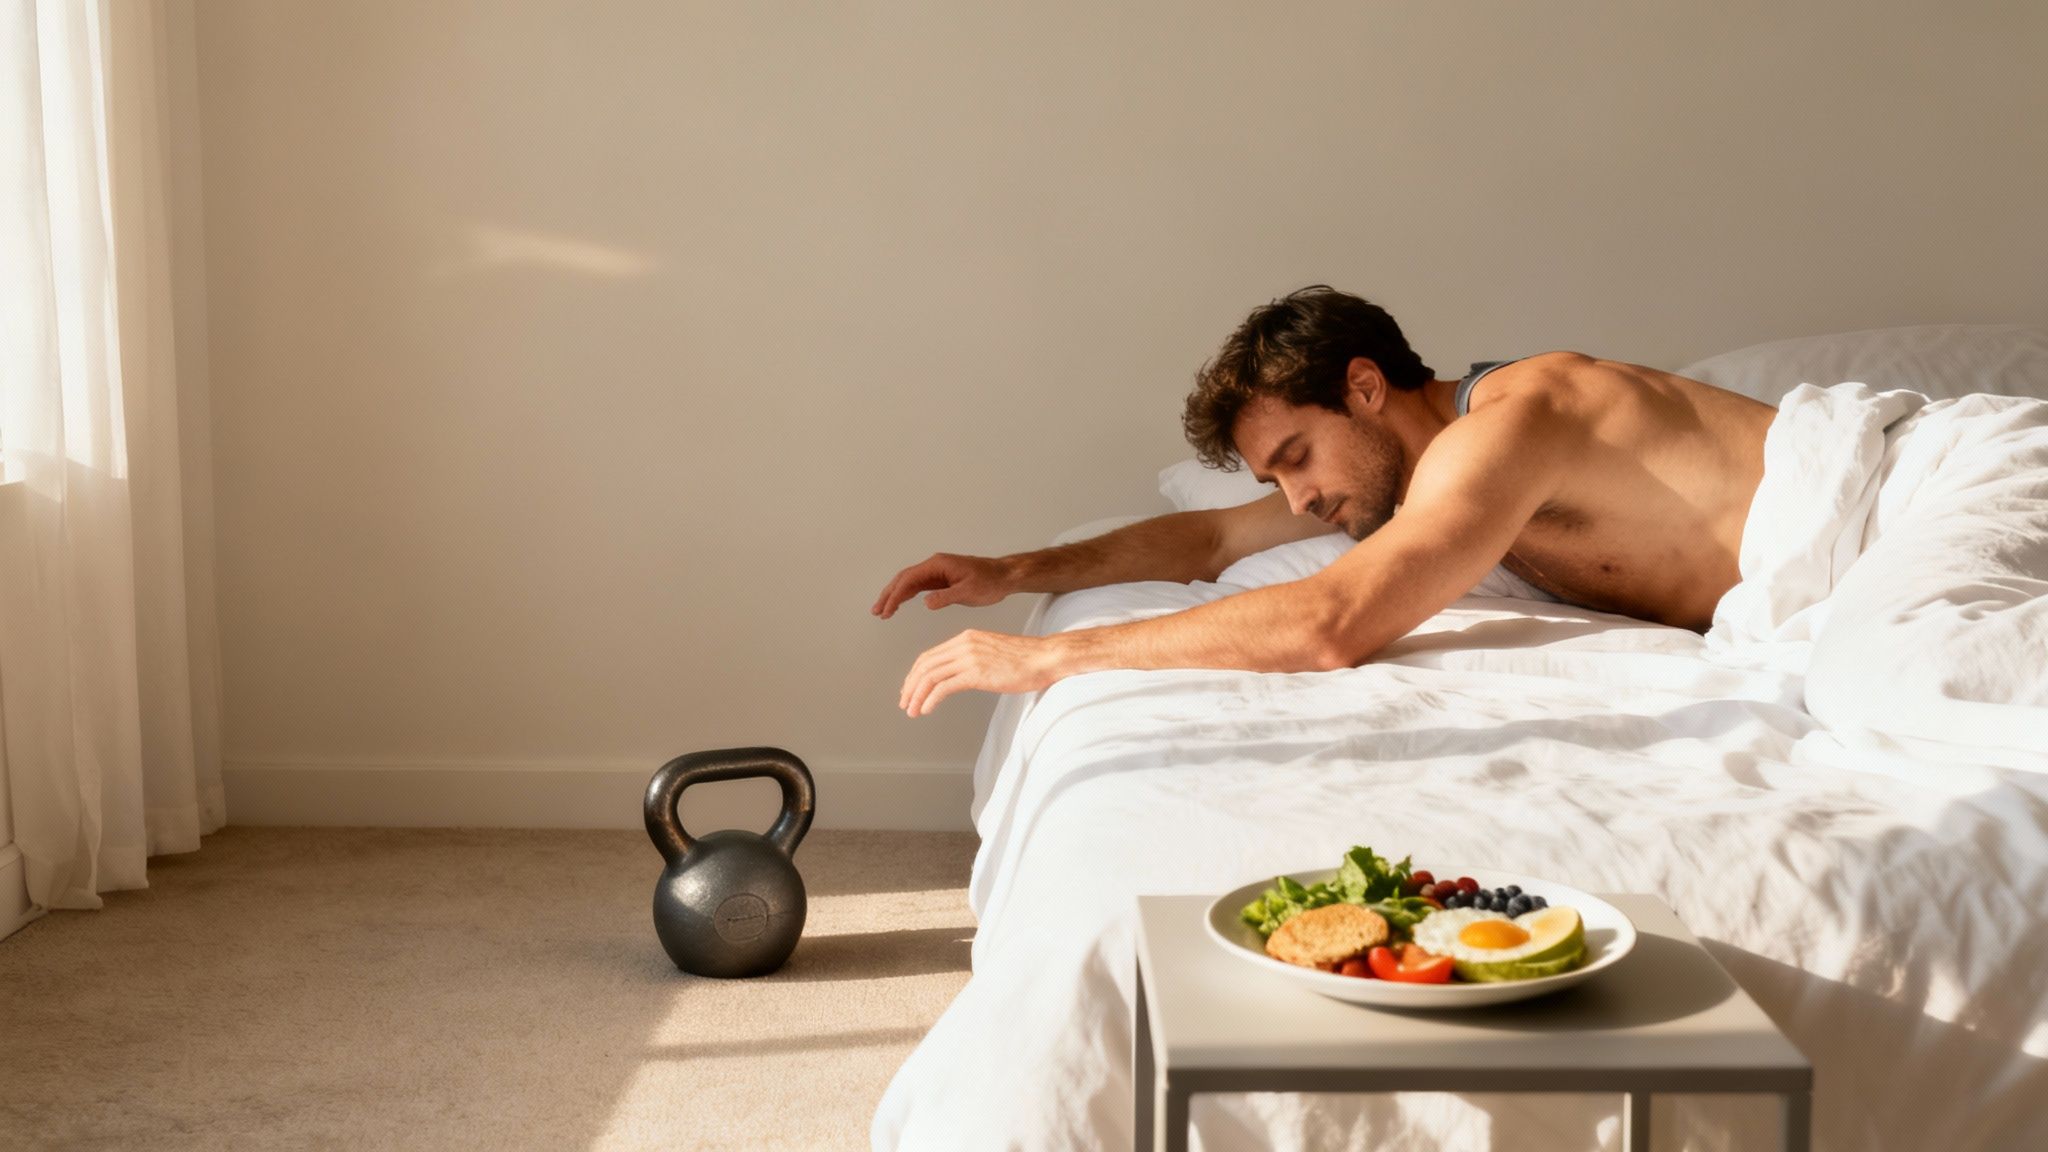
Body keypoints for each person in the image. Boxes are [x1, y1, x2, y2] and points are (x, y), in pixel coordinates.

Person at [874, 286, 1778, 717]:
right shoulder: (1414, 475)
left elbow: (1330, 624)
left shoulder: (1513, 424)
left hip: (1897, 514)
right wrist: (1014, 571)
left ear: (1365, 385)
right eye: (1278, 479)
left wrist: (1054, 659)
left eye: (1299, 457)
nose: (1300, 502)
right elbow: (1215, 540)